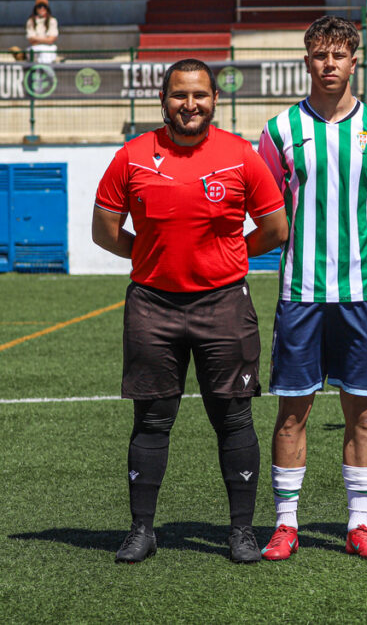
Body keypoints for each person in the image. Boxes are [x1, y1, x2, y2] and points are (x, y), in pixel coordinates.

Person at [92, 58, 288, 564]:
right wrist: (152, 258)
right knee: (152, 419)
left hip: (223, 303)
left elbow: (275, 228)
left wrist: (227, 257)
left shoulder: (241, 156)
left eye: (199, 94)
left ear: (215, 99)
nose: (190, 104)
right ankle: (141, 530)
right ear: (164, 100)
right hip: (152, 306)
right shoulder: (132, 156)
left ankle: (242, 531)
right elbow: (105, 231)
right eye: (179, 95)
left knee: (233, 417)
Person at [257, 16, 367, 562]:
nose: (329, 65)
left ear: (354, 61)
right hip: (300, 291)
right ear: (307, 61)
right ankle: (286, 524)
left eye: (339, 56)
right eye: (319, 55)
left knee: (361, 414)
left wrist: (364, 246)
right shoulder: (278, 131)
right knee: (292, 411)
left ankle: (359, 525)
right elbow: (269, 210)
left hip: (363, 290)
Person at [25, 0, 57, 64]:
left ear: (47, 8)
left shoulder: (52, 20)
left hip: (48, 48)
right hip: (35, 48)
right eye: (39, 6)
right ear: (36, 8)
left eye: (44, 6)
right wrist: (46, 39)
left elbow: (51, 40)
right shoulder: (31, 21)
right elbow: (31, 39)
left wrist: (36, 39)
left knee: (46, 55)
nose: (42, 8)